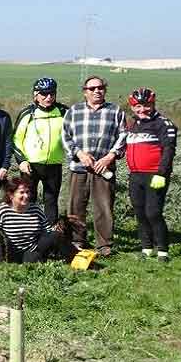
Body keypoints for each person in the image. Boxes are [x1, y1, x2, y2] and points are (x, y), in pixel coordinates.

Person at [62, 75, 127, 256]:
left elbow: (123, 137)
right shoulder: (74, 111)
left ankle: (104, 245)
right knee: (75, 207)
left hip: (103, 168)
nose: (97, 91)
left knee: (104, 207)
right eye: (92, 89)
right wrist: (79, 153)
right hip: (79, 168)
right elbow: (65, 136)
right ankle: (77, 242)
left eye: (100, 87)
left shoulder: (115, 111)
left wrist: (110, 157)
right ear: (85, 92)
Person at [124, 88, 178, 263]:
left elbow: (169, 151)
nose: (142, 109)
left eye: (147, 105)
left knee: (153, 213)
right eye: (138, 106)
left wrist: (162, 173)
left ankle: (163, 250)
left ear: (153, 104)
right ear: (132, 107)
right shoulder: (132, 124)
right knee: (140, 212)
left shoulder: (163, 123)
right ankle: (146, 248)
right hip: (135, 175)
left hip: (155, 175)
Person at [12, 77, 68, 223]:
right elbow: (16, 139)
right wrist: (22, 161)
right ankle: (26, 228)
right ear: (36, 95)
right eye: (44, 94)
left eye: (52, 93)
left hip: (54, 164)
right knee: (28, 199)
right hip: (31, 165)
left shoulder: (63, 111)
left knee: (51, 199)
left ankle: (50, 233)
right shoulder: (28, 113)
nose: (49, 97)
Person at [0, 177, 57, 263]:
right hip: (11, 252)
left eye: (27, 192)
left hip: (32, 250)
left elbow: (47, 230)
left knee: (54, 235)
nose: (26, 195)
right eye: (22, 192)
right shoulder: (3, 210)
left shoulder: (35, 209)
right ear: (11, 195)